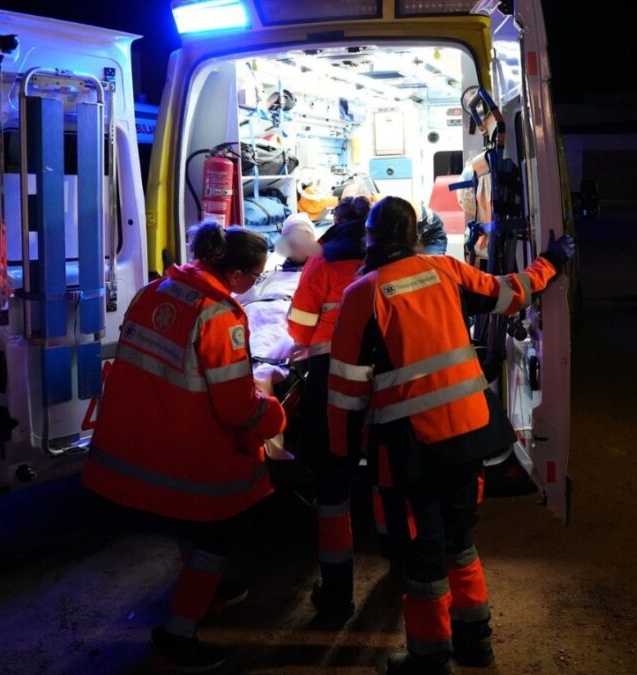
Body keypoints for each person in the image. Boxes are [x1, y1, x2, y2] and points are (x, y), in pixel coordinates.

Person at [327, 197, 575, 674]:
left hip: (411, 447)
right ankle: (475, 642)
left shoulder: (362, 294)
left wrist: (342, 453)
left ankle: (429, 657)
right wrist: (551, 260)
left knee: (423, 549)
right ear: (415, 236)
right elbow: (512, 292)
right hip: (468, 433)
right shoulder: (445, 270)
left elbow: (345, 389)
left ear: (369, 238)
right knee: (459, 540)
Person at [81, 222, 286, 673]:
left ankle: (207, 588)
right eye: (257, 276)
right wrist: (274, 414)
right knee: (216, 535)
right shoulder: (219, 315)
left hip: (137, 442)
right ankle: (176, 639)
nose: (256, 284)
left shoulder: (155, 290)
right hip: (185, 452)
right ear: (236, 275)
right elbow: (236, 407)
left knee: (186, 525)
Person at [286, 195, 371, 620]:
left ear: (336, 221)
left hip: (330, 374)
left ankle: (337, 595)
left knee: (332, 482)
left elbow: (300, 327)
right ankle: (401, 560)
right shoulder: (390, 259)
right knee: (390, 471)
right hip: (384, 375)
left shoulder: (322, 261)